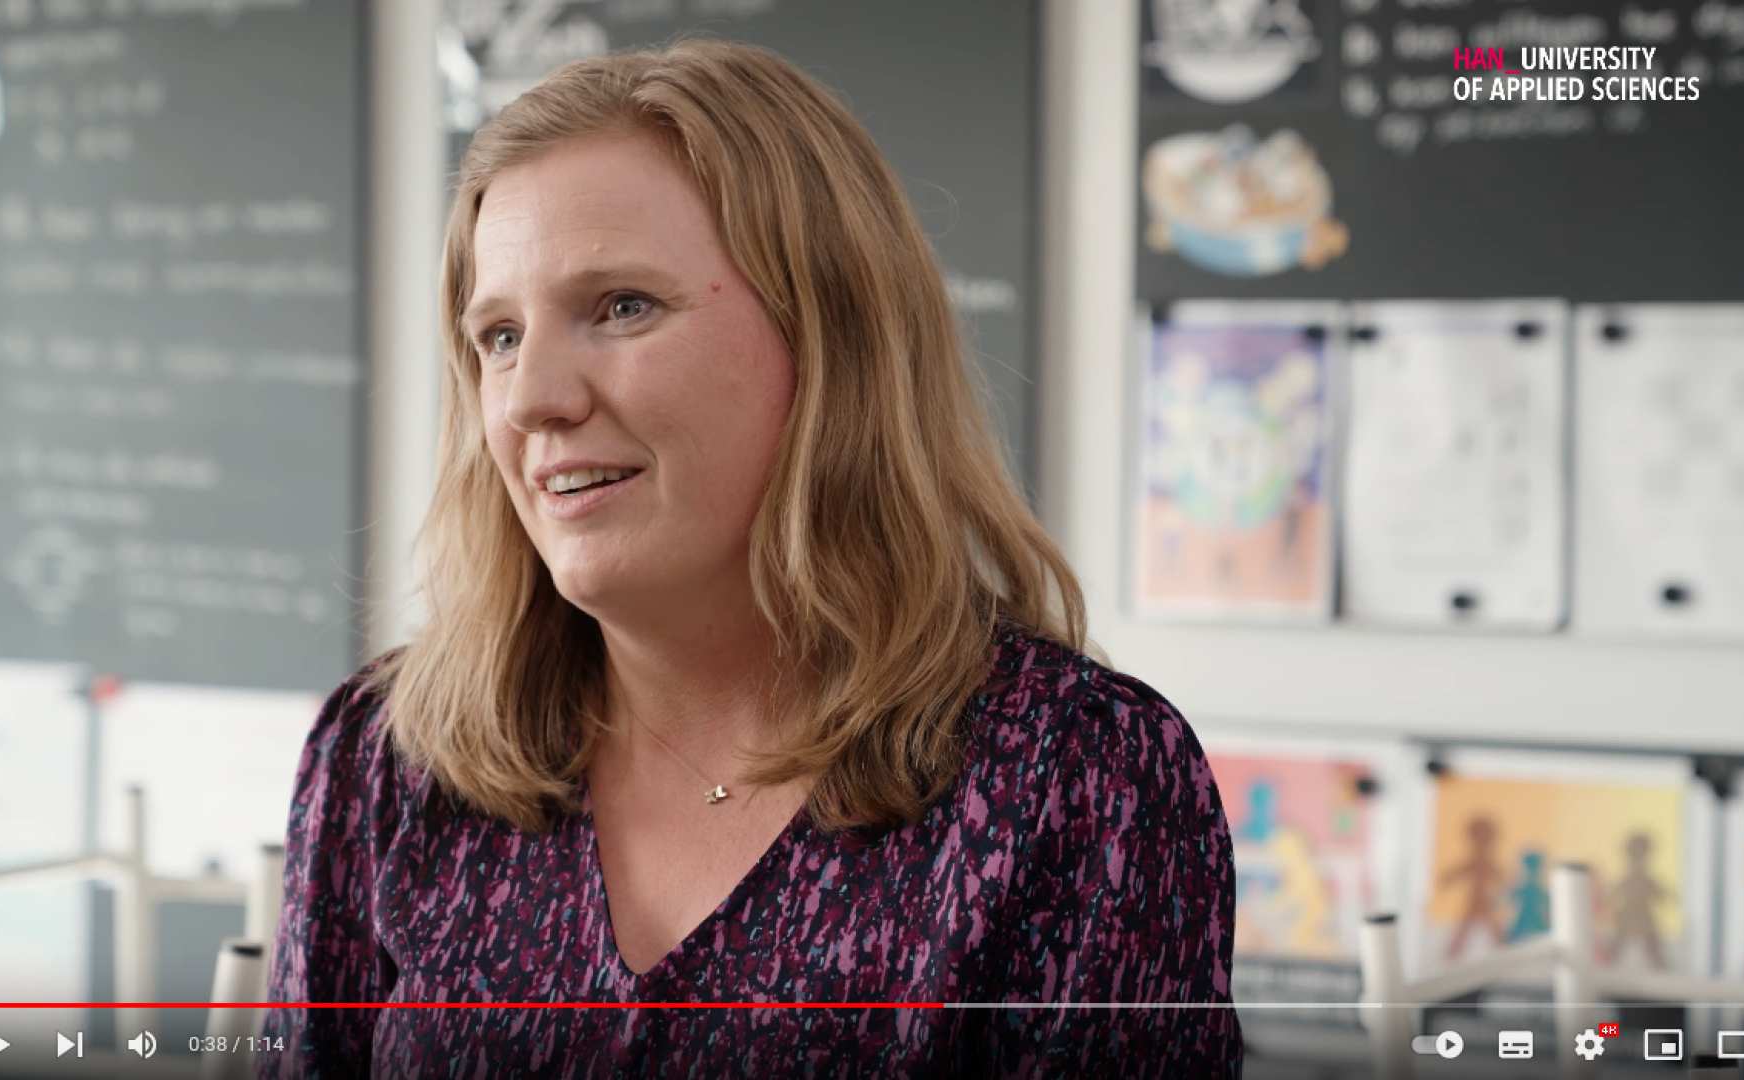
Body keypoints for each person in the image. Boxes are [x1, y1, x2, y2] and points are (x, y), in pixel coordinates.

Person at [258, 39, 1239, 1078]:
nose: (532, 397)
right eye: (498, 335)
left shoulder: (1077, 780)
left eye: (621, 307)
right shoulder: (386, 757)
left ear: (828, 341)